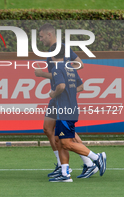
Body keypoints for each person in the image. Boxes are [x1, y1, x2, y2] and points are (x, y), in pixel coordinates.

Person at [34, 23, 97, 179]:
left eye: (41, 36)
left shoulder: (61, 48)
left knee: (65, 132)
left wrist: (45, 74)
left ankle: (89, 162)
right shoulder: (52, 50)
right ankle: (63, 165)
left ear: (49, 34)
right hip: (58, 95)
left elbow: (80, 65)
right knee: (48, 129)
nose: (40, 39)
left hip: (60, 95)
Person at [48, 43, 106, 182]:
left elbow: (61, 86)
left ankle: (97, 158)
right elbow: (80, 86)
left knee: (67, 143)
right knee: (59, 141)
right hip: (70, 108)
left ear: (53, 54)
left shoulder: (57, 68)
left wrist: (53, 93)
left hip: (65, 110)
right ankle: (65, 174)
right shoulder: (70, 68)